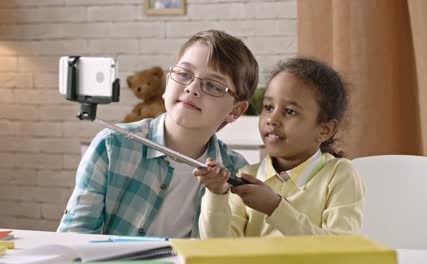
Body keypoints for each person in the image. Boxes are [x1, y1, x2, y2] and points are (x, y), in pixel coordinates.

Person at [57, 29, 259, 238]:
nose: (192, 88)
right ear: (167, 82)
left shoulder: (237, 171)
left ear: (235, 111)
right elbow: (74, 237)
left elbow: (226, 253)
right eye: (183, 74)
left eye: (213, 86)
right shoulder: (112, 145)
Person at [195, 57, 365, 237]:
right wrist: (216, 194)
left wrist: (275, 207)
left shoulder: (340, 175)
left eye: (290, 111)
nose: (272, 119)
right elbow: (219, 249)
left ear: (325, 130)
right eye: (268, 107)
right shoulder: (246, 176)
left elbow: (342, 250)